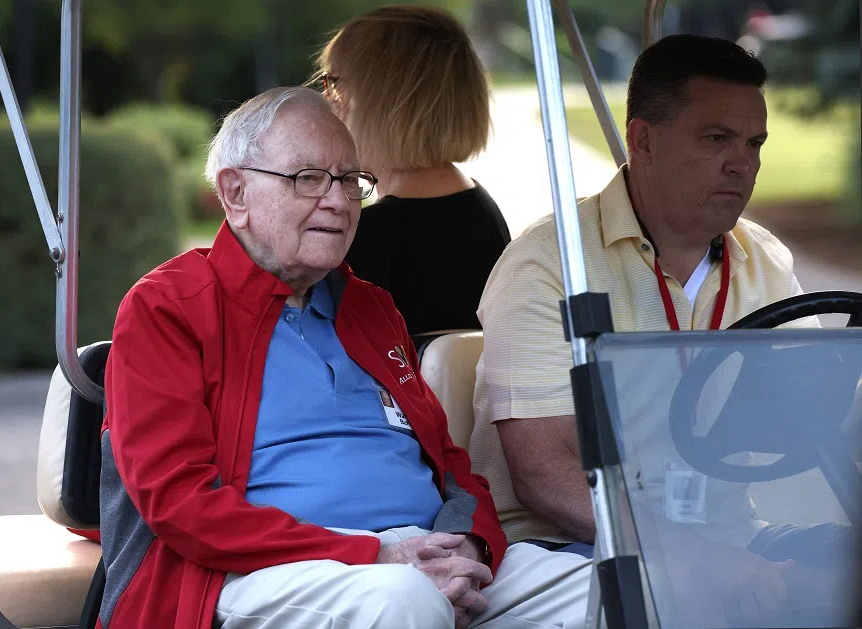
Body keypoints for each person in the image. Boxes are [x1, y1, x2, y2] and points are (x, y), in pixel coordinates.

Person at [97, 86, 591, 629]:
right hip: (259, 569)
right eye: (307, 179)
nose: (337, 200)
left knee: (621, 586)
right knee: (404, 602)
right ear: (234, 193)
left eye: (351, 181)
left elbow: (452, 467)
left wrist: (471, 548)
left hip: (422, 554)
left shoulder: (370, 307)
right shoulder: (168, 307)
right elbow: (179, 503)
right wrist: (374, 557)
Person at [469, 34, 855, 628]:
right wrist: (692, 558)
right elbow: (543, 477)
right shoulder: (549, 263)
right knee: (675, 598)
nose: (743, 162)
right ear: (643, 139)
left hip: (733, 539)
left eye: (754, 143)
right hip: (565, 550)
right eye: (716, 139)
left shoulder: (764, 261)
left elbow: (823, 409)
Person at [311, 5, 511, 336]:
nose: (328, 99)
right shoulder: (483, 214)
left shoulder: (367, 239)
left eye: (334, 83)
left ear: (383, 103)